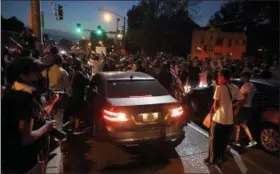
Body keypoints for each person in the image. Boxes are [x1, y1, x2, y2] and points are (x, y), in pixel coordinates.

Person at [2, 57, 55, 173]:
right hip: (24, 164)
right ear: (23, 77)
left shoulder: (11, 93)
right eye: (36, 73)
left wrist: (52, 102)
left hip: (11, 161)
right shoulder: (24, 100)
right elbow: (26, 138)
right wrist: (46, 128)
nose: (40, 76)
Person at [205, 68, 244, 165]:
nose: (218, 77)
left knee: (213, 141)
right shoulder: (235, 88)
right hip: (229, 121)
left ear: (222, 77)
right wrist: (234, 107)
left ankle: (211, 160)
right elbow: (242, 100)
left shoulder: (219, 88)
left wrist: (213, 109)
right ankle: (220, 158)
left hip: (219, 120)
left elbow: (215, 106)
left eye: (219, 76)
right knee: (223, 141)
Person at [233, 72, 257, 147]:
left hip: (243, 108)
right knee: (241, 124)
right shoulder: (252, 85)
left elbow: (242, 100)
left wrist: (236, 108)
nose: (240, 78)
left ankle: (250, 140)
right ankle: (238, 140)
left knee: (239, 124)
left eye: (242, 77)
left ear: (245, 77)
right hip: (248, 107)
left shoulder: (245, 86)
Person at [68, 59, 90, 134]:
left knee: (73, 111)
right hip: (78, 95)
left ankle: (70, 126)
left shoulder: (73, 73)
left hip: (73, 95)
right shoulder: (79, 74)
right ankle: (76, 128)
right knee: (78, 111)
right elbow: (87, 81)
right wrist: (86, 73)